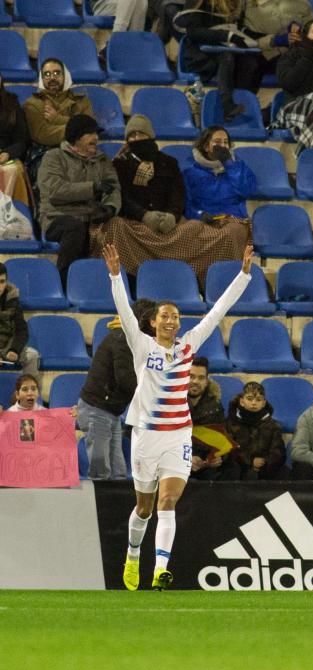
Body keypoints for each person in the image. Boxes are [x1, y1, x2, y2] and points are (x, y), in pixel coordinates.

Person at [103, 241, 253, 591]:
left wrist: (244, 275)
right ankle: (133, 554)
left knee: (168, 501)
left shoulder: (188, 347)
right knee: (144, 507)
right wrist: (115, 277)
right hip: (145, 435)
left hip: (177, 436)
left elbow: (217, 312)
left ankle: (160, 571)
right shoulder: (143, 346)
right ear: (153, 322)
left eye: (175, 316)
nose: (171, 320)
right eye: (164, 316)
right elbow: (124, 311)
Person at [92, 115, 248, 285]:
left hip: (169, 222)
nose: (136, 139)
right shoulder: (119, 165)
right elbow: (122, 197)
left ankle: (199, 281)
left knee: (194, 227)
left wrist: (172, 216)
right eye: (132, 135)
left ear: (150, 136)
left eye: (141, 134)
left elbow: (177, 194)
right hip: (136, 222)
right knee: (116, 226)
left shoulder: (168, 162)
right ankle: (130, 280)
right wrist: (144, 215)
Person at [37, 114, 121, 288]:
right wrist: (93, 187)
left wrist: (111, 207)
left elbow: (113, 187)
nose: (96, 138)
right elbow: (55, 191)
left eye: (96, 134)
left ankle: (118, 285)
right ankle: (63, 282)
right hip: (57, 218)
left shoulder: (101, 160)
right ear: (76, 137)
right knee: (75, 228)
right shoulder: (54, 157)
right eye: (90, 133)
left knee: (117, 226)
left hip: (91, 217)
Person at [78, 299, 156, 481]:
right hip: (97, 409)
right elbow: (126, 379)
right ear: (142, 320)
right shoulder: (122, 340)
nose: (155, 325)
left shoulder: (131, 340)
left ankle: (115, 509)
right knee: (101, 472)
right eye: (152, 320)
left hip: (111, 411)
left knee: (118, 473)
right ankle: (100, 509)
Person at [174, 0, 249, 121]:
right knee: (227, 56)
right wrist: (227, 35)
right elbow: (194, 32)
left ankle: (247, 105)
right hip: (199, 57)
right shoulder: (199, 3)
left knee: (249, 61)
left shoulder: (237, 5)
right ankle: (227, 105)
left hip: (223, 53)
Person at [23, 59, 94, 178]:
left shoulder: (82, 101)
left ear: (65, 76)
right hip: (45, 154)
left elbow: (90, 130)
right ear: (42, 78)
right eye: (47, 74)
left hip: (81, 152)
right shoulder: (33, 104)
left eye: (57, 73)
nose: (52, 78)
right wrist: (78, 128)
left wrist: (58, 119)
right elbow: (43, 134)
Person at [237, 0, 313, 94]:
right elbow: (242, 37)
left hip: (293, 52)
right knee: (248, 64)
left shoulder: (302, 3)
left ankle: (300, 105)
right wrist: (275, 40)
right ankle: (243, 105)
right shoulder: (246, 5)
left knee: (307, 63)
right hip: (262, 52)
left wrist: (301, 31)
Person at [183, 125, 256, 221]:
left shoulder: (239, 167)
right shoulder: (190, 173)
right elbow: (186, 205)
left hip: (233, 220)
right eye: (217, 142)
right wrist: (200, 214)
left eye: (226, 142)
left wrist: (229, 164)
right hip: (204, 221)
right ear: (206, 147)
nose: (222, 146)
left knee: (228, 233)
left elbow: (247, 191)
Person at [222, 381, 288, 480]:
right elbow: (228, 451)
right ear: (242, 401)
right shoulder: (230, 423)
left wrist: (264, 462)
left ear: (263, 403)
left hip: (266, 469)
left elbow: (278, 452)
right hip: (239, 469)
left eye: (258, 399)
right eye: (249, 399)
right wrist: (250, 461)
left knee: (284, 472)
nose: (254, 403)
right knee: (231, 471)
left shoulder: (273, 425)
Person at [187, 356, 226, 481]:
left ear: (207, 380)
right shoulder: (170, 403)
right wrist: (187, 458)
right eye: (191, 376)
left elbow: (222, 439)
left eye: (201, 378)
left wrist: (217, 457)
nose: (195, 381)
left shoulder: (215, 406)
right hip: (176, 461)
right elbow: (165, 440)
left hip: (204, 465)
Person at [0, 262, 40, 378]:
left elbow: (22, 331)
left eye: (2, 282)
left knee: (32, 355)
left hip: (8, 347)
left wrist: (14, 350)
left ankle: (29, 393)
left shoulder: (13, 301)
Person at [0, 73, 31, 206]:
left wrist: (8, 154)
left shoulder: (11, 102)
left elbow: (22, 139)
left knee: (15, 171)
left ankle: (16, 218)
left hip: (6, 155)